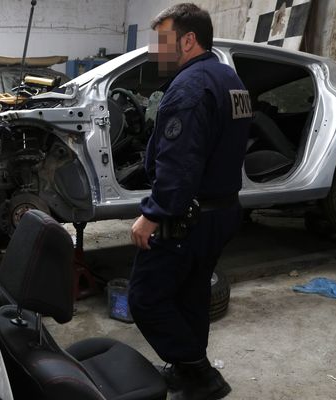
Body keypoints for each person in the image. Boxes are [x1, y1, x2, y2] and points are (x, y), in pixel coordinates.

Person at [128, 4, 251, 400]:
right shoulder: (230, 78)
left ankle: (202, 376)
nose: (155, 51)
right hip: (223, 211)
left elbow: (179, 165)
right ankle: (187, 371)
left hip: (187, 218)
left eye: (161, 42)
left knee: (145, 299)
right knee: (191, 294)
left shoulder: (189, 87)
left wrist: (153, 215)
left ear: (188, 39)